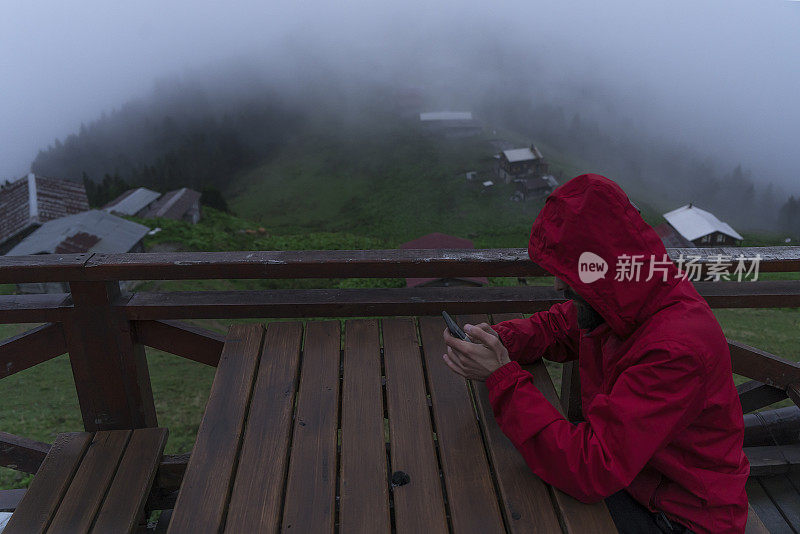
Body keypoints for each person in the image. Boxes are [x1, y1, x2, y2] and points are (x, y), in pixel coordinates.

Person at [442, 174, 749, 534]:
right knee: (506, 486)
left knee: (502, 505)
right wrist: (496, 339)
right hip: (636, 480)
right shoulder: (625, 296)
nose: (558, 285)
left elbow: (591, 468)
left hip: (682, 517)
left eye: (569, 272)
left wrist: (502, 377)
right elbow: (558, 327)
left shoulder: (674, 350)